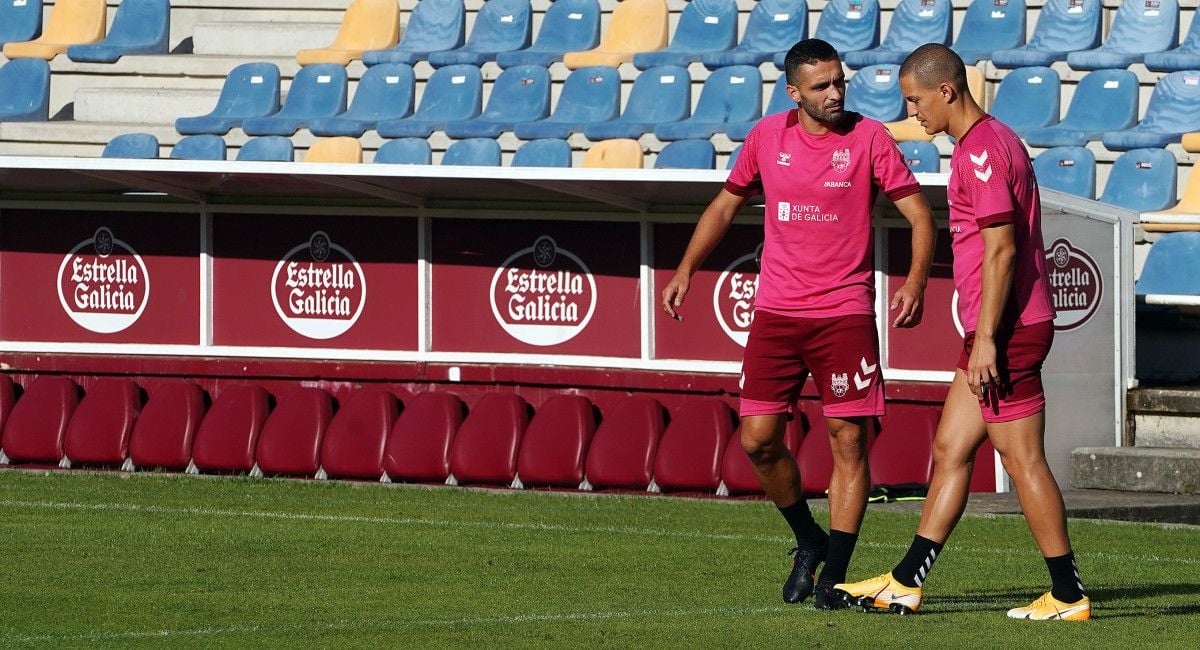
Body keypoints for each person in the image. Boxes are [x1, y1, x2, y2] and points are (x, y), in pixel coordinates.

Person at [661, 38, 935, 609]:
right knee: (757, 440)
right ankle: (807, 540)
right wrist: (687, 267)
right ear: (794, 93)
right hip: (777, 313)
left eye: (840, 82)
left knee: (848, 442)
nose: (836, 93)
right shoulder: (767, 138)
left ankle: (833, 575)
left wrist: (913, 282)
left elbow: (918, 213)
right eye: (821, 87)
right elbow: (725, 204)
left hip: (844, 314)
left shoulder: (869, 138)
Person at [833, 43, 1090, 621]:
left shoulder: (982, 154)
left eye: (916, 100)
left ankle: (1069, 594)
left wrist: (989, 340)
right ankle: (906, 581)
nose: (914, 113)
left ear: (947, 91)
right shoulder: (984, 144)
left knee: (1023, 461)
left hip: (1008, 330)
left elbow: (1000, 249)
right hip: (993, 328)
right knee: (950, 448)